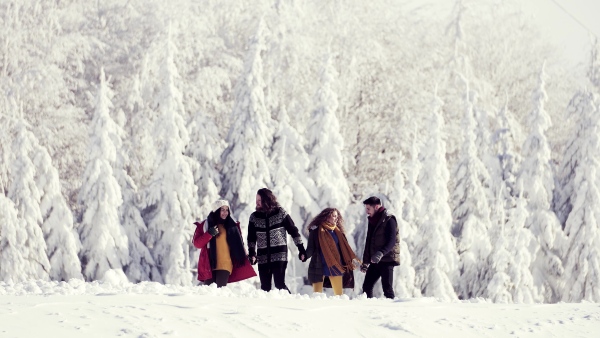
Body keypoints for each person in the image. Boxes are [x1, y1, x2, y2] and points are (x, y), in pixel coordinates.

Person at [247, 188, 306, 293]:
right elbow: (251, 238)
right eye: (256, 200)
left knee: (279, 284)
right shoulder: (254, 217)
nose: (257, 202)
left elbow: (293, 231)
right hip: (263, 256)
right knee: (265, 288)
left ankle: (292, 302)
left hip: (279, 255)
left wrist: (301, 249)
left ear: (267, 200)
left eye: (259, 200)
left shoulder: (280, 213)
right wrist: (252, 253)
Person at [192, 200, 256, 287]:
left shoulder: (232, 226)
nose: (225, 212)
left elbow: (239, 245)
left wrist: (247, 257)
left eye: (227, 210)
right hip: (209, 265)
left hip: (225, 264)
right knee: (208, 292)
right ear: (216, 210)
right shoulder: (205, 225)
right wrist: (209, 233)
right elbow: (197, 244)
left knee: (219, 291)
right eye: (222, 210)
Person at [305, 208, 360, 296]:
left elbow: (343, 249)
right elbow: (311, 248)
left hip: (335, 265)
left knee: (339, 295)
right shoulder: (316, 231)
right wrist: (305, 255)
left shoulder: (338, 232)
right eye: (334, 216)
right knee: (317, 295)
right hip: (319, 265)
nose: (336, 218)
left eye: (337, 216)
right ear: (326, 217)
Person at [360, 196, 400, 299]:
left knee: (387, 289)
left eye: (368, 209)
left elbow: (392, 241)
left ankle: (393, 312)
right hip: (375, 260)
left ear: (376, 207)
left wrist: (381, 252)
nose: (367, 212)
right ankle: (369, 309)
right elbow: (369, 241)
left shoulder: (389, 219)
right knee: (367, 287)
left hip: (387, 259)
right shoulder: (372, 220)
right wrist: (365, 262)